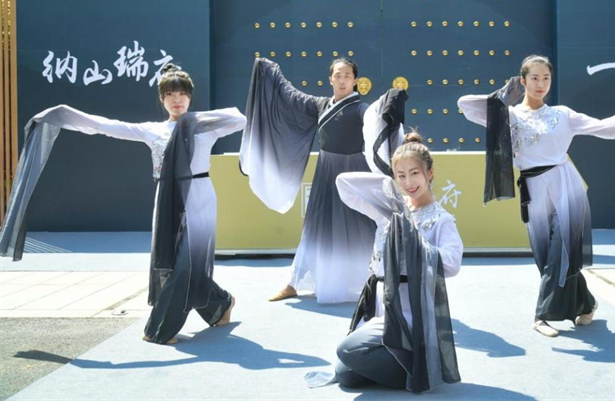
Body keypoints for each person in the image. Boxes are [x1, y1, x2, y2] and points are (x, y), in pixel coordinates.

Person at [0, 64, 245, 344]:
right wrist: (63, 113)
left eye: (182, 94)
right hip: (166, 199)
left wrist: (193, 120)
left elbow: (239, 119)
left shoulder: (204, 129)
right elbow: (104, 127)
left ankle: (159, 329)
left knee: (188, 263)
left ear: (190, 97)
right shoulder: (152, 130)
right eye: (170, 94)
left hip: (199, 196)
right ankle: (221, 303)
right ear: (161, 98)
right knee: (171, 263)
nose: (176, 100)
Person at [457, 55, 615, 337]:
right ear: (523, 80)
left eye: (546, 78)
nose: (541, 84)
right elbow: (466, 105)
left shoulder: (563, 115)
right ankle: (587, 303)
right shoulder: (509, 115)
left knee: (561, 250)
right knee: (546, 256)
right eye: (534, 78)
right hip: (532, 190)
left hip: (565, 185)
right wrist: (506, 93)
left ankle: (541, 316)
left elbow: (607, 127)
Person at [239, 57, 407, 303]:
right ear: (330, 79)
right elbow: (291, 96)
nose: (342, 80)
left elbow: (375, 116)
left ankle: (376, 279)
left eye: (347, 76)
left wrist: (389, 102)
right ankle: (293, 282)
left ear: (355, 81)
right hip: (326, 170)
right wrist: (270, 72)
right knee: (314, 226)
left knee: (363, 225)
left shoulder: (360, 109)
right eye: (338, 75)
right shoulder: (321, 105)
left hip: (352, 173)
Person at [306, 132, 462, 392]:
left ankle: (419, 368)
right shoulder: (389, 212)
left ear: (430, 173)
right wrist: (387, 186)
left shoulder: (441, 219)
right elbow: (343, 183)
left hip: (409, 310)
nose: (408, 182)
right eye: (401, 175)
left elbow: (453, 263)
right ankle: (409, 365)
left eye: (414, 173)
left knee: (347, 350)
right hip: (381, 305)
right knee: (345, 375)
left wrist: (416, 244)